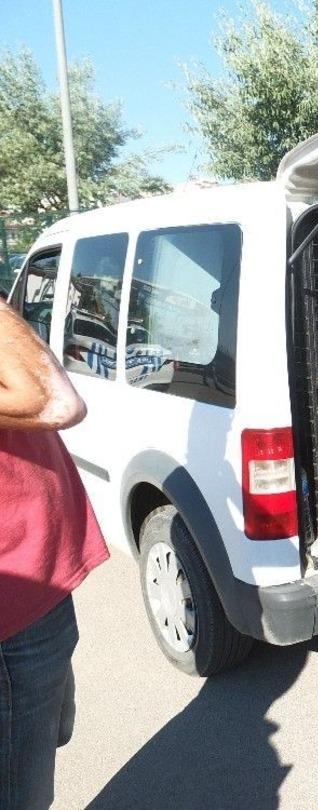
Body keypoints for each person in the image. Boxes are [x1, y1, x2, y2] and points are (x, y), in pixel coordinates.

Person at [0, 297, 110, 809]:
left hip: (39, 588)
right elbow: (54, 401)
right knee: (21, 791)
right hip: (13, 620)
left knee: (49, 733)